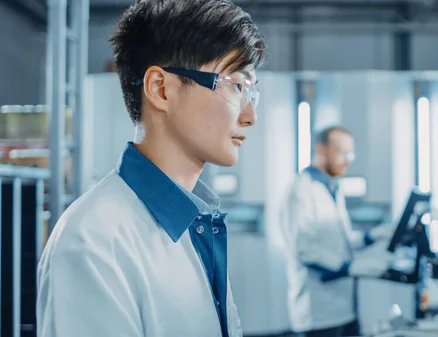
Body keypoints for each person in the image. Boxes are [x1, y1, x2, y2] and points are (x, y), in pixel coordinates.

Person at [36, 1, 266, 336]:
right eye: (236, 86)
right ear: (161, 88)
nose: (250, 116)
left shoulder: (197, 222)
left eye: (251, 92)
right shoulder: (93, 244)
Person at [280, 126, 395, 337]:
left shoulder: (333, 187)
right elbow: (306, 251)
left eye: (350, 153)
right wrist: (350, 267)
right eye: (342, 152)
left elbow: (340, 239)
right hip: (318, 311)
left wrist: (372, 236)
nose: (348, 159)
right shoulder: (301, 189)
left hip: (345, 306)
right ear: (321, 150)